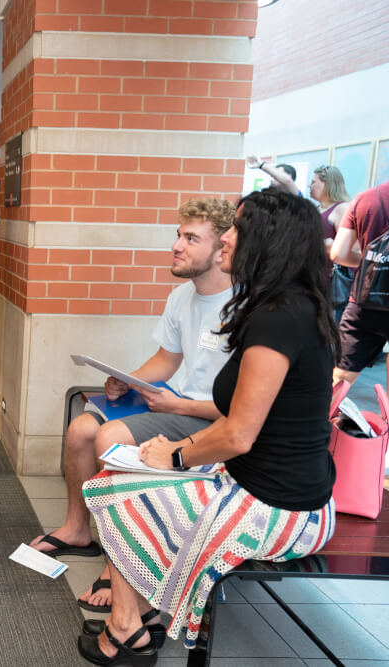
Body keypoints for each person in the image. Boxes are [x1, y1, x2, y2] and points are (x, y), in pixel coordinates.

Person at [77, 188, 337, 664]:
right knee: (122, 474)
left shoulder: (279, 318)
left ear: (266, 240)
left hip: (280, 508)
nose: (227, 239)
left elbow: (238, 433)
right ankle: (138, 614)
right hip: (272, 486)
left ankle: (125, 628)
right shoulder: (285, 307)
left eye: (237, 227)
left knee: (113, 490)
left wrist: (173, 455)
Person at [28, 199, 235, 615]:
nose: (176, 245)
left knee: (108, 438)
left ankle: (121, 564)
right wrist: (129, 379)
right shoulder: (182, 296)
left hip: (206, 414)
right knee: (80, 431)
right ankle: (76, 528)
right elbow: (167, 359)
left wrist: (177, 403)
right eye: (179, 234)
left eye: (191, 238)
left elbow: (241, 408)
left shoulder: (244, 306)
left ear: (221, 249)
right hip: (174, 404)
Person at [330, 179, 389, 388]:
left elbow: (338, 253)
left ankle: (325, 419)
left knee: (340, 378)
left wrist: (369, 260)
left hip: (365, 302)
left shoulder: (366, 198)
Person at [309, 165, 352, 322]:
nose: (310, 186)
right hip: (313, 279)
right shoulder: (316, 208)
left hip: (331, 284)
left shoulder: (341, 209)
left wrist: (329, 245)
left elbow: (348, 250)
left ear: (327, 184)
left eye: (314, 182)